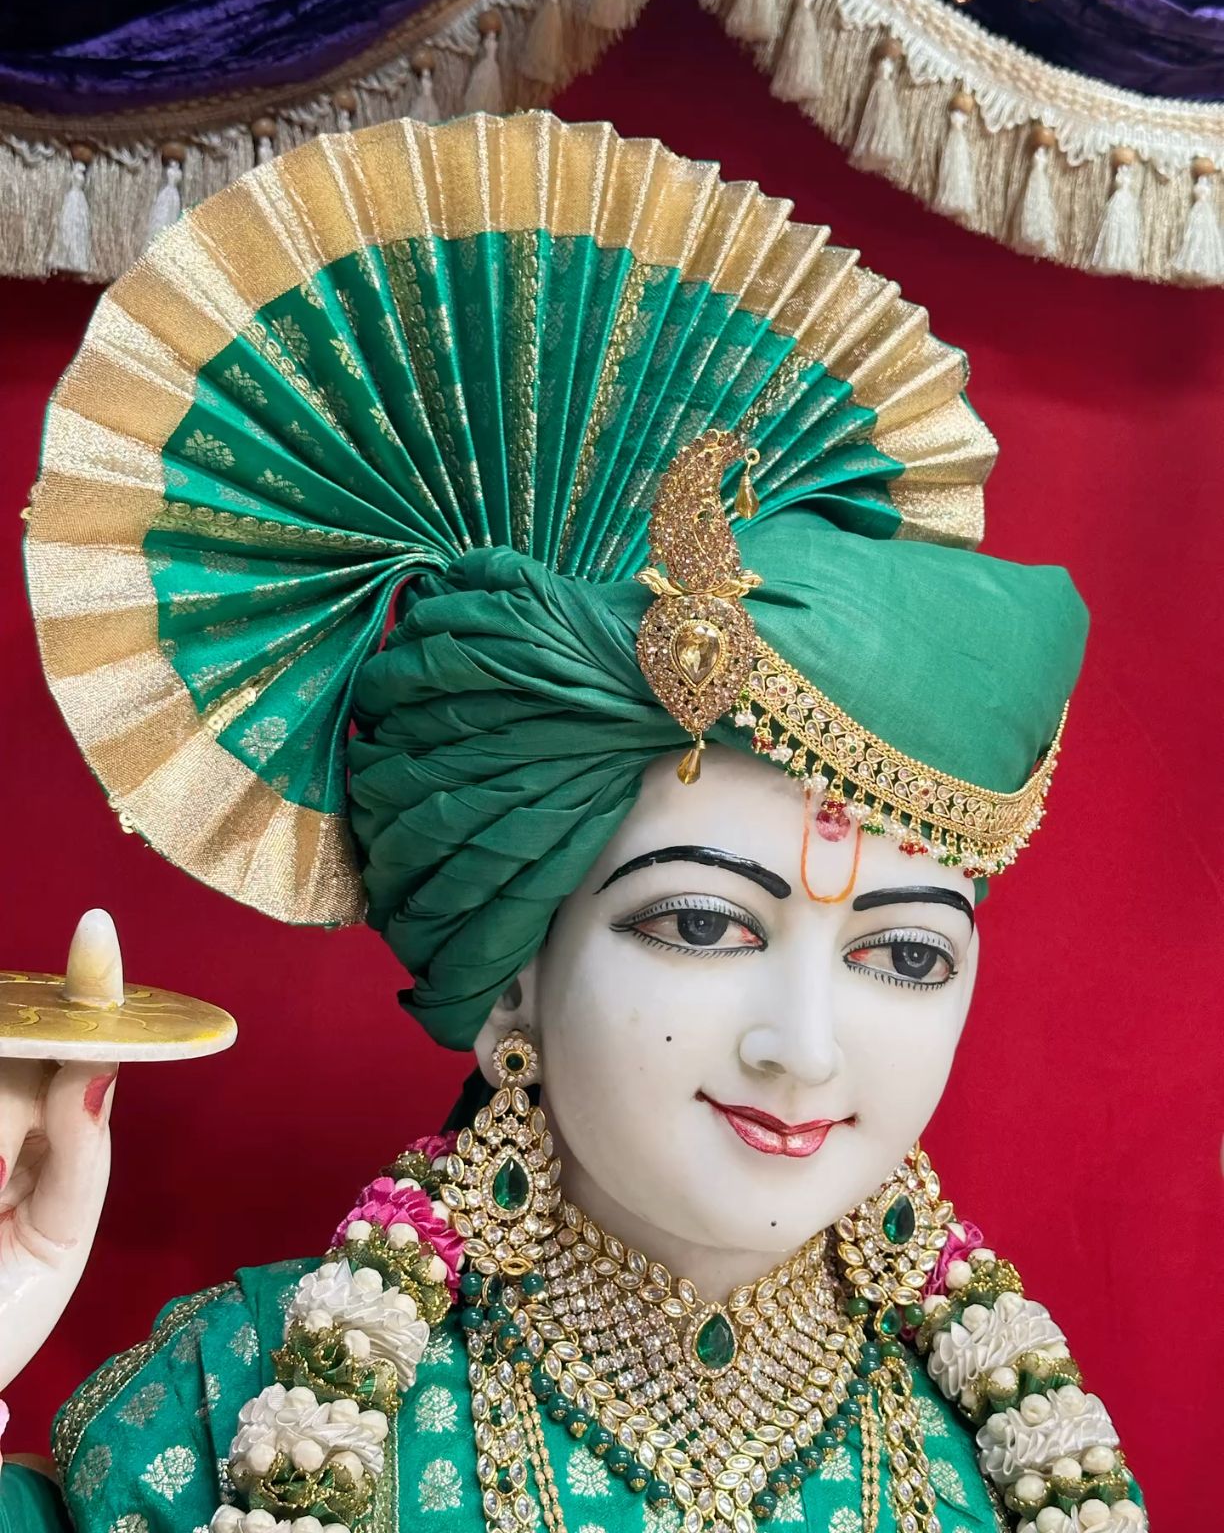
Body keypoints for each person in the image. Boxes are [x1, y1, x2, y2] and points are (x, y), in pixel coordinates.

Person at [3, 112, 1143, 1533]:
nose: (806, 1045)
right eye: (703, 922)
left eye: (906, 956)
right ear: (513, 984)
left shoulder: (1014, 1465)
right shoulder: (229, 1416)